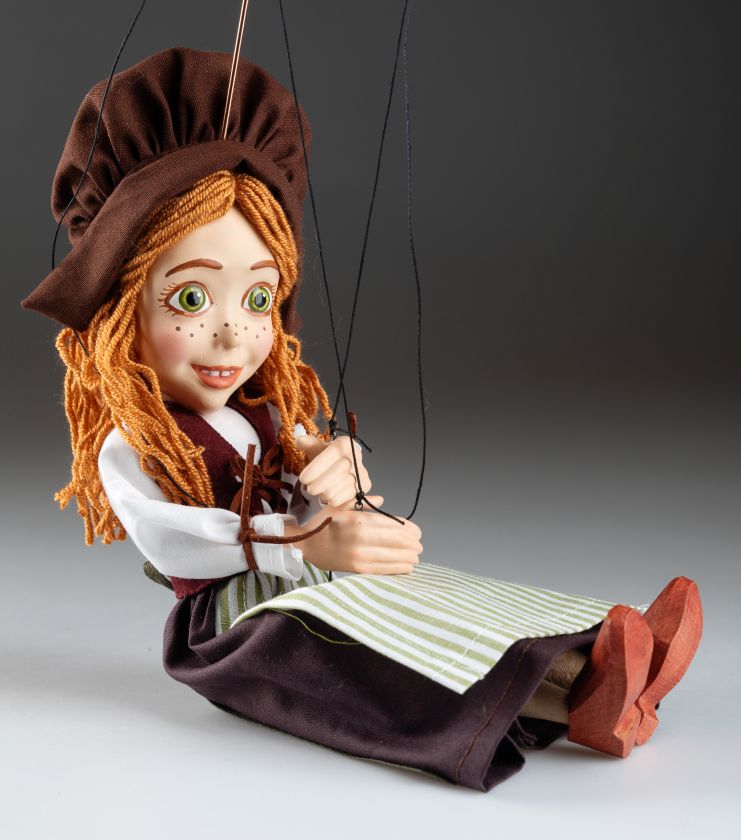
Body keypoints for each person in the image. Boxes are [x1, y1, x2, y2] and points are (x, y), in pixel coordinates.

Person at [22, 47, 702, 791]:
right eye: (191, 299)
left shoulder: (259, 420)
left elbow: (302, 487)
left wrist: (333, 472)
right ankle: (583, 696)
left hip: (304, 574)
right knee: (382, 644)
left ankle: (606, 652)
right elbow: (174, 540)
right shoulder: (134, 446)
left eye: (258, 299)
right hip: (235, 626)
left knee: (426, 593)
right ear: (121, 311)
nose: (232, 334)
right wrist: (303, 543)